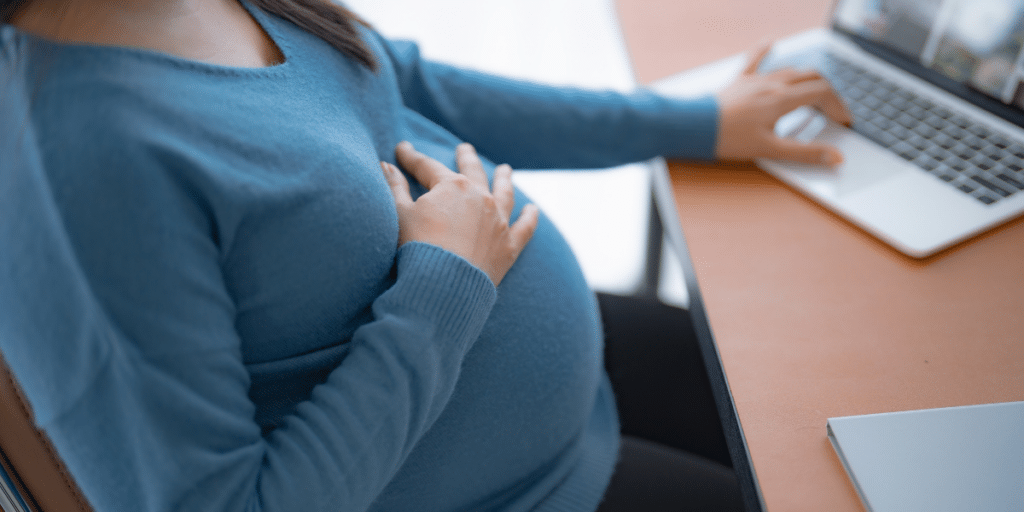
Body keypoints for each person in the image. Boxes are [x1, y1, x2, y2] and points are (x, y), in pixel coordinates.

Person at [0, 0, 849, 510]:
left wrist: (691, 123)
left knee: (814, 410)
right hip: (521, 493)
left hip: (553, 397)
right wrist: (445, 291)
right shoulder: (77, 163)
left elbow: (397, 81)